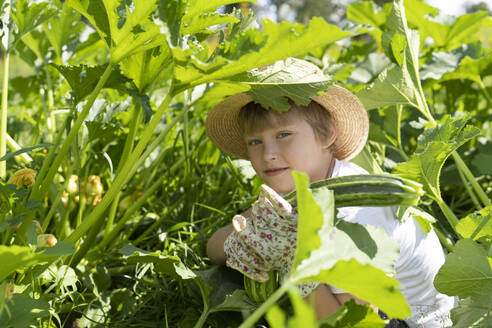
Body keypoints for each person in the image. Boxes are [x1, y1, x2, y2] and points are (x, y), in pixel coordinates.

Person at [205, 58, 454, 328]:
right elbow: (213, 248)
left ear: (327, 135)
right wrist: (252, 233)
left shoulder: (354, 215)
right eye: (255, 142)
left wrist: (293, 259)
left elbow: (347, 324)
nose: (268, 155)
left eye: (284, 134)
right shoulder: (298, 192)